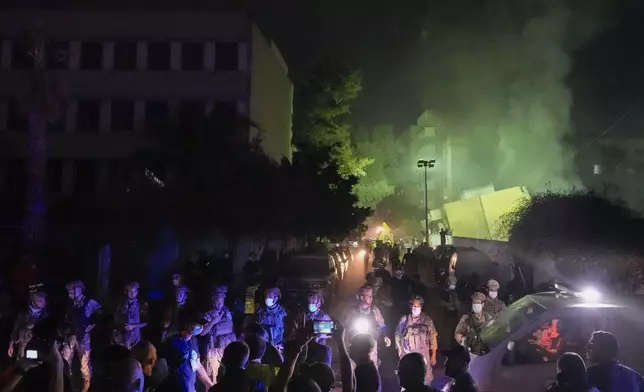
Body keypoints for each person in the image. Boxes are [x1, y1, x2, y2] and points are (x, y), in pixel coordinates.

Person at [156, 314, 214, 392]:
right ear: (188, 324)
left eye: (201, 325)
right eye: (197, 324)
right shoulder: (173, 341)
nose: (200, 327)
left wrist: (210, 384)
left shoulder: (193, 340)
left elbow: (197, 364)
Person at [64, 280, 101, 392]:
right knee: (65, 359)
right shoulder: (70, 305)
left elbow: (100, 315)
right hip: (71, 336)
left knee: (84, 362)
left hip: (85, 336)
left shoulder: (90, 302)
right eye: (70, 289)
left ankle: (86, 386)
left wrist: (91, 326)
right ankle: (67, 382)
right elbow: (67, 320)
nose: (71, 292)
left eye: (73, 289)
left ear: (80, 289)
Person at [395, 296, 438, 384]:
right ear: (411, 306)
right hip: (408, 355)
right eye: (414, 306)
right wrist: (400, 349)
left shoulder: (427, 320)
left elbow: (433, 337)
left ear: (421, 306)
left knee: (426, 379)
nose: (416, 308)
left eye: (418, 306)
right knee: (408, 379)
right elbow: (397, 335)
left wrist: (434, 354)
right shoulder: (405, 320)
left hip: (423, 355)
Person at [344, 285, 391, 365]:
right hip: (357, 345)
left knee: (372, 367)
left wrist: (386, 335)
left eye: (371, 296)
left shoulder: (374, 310)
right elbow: (345, 328)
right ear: (362, 298)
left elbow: (382, 324)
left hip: (372, 346)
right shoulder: (352, 311)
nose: (371, 298)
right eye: (368, 296)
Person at [200, 285, 235, 384]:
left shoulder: (228, 313)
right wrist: (214, 322)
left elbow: (232, 329)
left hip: (226, 348)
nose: (219, 303)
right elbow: (202, 333)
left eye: (221, 301)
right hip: (213, 350)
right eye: (217, 301)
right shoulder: (207, 315)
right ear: (213, 301)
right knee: (213, 378)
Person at [8, 291, 49, 359]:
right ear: (33, 302)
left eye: (44, 300)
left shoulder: (46, 315)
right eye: (40, 300)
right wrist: (11, 344)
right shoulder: (23, 314)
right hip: (23, 346)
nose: (43, 302)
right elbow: (16, 328)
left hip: (38, 346)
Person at [114, 281, 149, 349]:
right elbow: (116, 320)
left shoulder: (142, 305)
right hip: (122, 338)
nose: (132, 293)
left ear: (137, 292)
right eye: (130, 291)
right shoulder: (120, 304)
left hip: (136, 339)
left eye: (134, 291)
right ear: (126, 292)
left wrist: (134, 326)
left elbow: (146, 322)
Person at [254, 286, 288, 351]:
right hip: (262, 345)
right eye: (266, 297)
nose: (267, 299)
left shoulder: (282, 313)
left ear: (276, 298)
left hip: (276, 346)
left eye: (270, 297)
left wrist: (282, 344)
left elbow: (287, 331)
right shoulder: (260, 312)